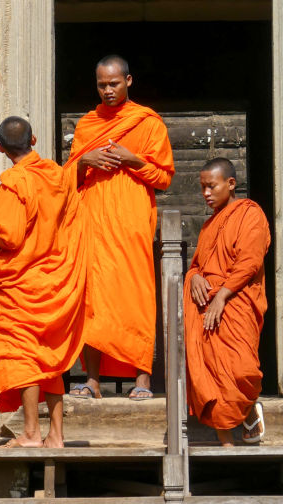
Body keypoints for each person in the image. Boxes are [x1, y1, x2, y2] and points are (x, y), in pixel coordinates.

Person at [65, 55, 174, 400]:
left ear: (129, 81)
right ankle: (92, 380)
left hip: (132, 224)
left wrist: (131, 159)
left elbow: (164, 178)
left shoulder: (148, 123)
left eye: (114, 83)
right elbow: (65, 180)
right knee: (93, 301)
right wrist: (85, 160)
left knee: (135, 298)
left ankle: (142, 379)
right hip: (94, 222)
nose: (108, 90)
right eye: (102, 85)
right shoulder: (86, 125)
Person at [0, 116, 86, 448]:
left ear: (1, 149)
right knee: (49, 353)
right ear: (35, 140)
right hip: (56, 278)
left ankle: (30, 432)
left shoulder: (13, 182)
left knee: (22, 353)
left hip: (23, 282)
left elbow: (11, 238)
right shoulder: (57, 175)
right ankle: (55, 434)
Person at [184, 157, 271, 446]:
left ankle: (248, 410)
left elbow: (250, 261)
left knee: (242, 369)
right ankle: (227, 445)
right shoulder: (209, 226)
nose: (206, 194)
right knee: (211, 373)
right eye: (202, 188)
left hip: (236, 302)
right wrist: (194, 276)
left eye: (211, 186)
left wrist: (222, 296)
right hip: (208, 307)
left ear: (231, 184)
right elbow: (200, 264)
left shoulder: (250, 214)